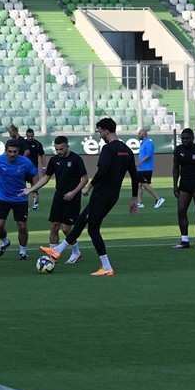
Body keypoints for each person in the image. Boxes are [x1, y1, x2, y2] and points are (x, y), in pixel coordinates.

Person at [41, 117, 139, 276]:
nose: (100, 135)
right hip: (113, 195)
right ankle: (58, 251)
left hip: (101, 193)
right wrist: (134, 199)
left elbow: (102, 171)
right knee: (85, 223)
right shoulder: (126, 150)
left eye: (100, 132)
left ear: (106, 131)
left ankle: (105, 267)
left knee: (89, 226)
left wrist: (89, 186)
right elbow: (135, 176)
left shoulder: (108, 149)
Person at [26, 135, 87, 264]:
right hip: (58, 197)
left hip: (73, 198)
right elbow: (46, 177)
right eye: (56, 149)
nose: (59, 152)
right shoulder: (54, 160)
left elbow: (85, 179)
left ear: (67, 146)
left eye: (61, 149)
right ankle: (52, 256)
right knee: (54, 226)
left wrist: (74, 192)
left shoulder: (76, 159)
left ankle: (76, 252)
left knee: (66, 229)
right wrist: (31, 189)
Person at [0, 138, 40, 260]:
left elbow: (35, 174)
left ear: (18, 151)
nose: (12, 154)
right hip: (2, 198)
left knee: (22, 226)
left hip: (20, 199)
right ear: (6, 151)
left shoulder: (25, 162)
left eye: (15, 151)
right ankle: (5, 242)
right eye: (10, 151)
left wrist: (35, 190)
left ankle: (23, 252)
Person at [135, 128, 165, 209]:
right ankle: (140, 203)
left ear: (144, 134)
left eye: (139, 133)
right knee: (139, 185)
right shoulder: (143, 143)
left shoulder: (148, 143)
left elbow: (148, 155)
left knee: (144, 184)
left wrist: (139, 163)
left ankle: (159, 199)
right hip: (142, 168)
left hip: (146, 168)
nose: (138, 135)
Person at [23, 128, 47, 210]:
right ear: (26, 135)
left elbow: (42, 155)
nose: (30, 138)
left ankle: (35, 204)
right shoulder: (22, 143)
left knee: (35, 187)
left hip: (33, 169)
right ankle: (24, 205)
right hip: (23, 169)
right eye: (29, 136)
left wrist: (44, 167)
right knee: (22, 187)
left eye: (32, 136)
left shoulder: (37, 144)